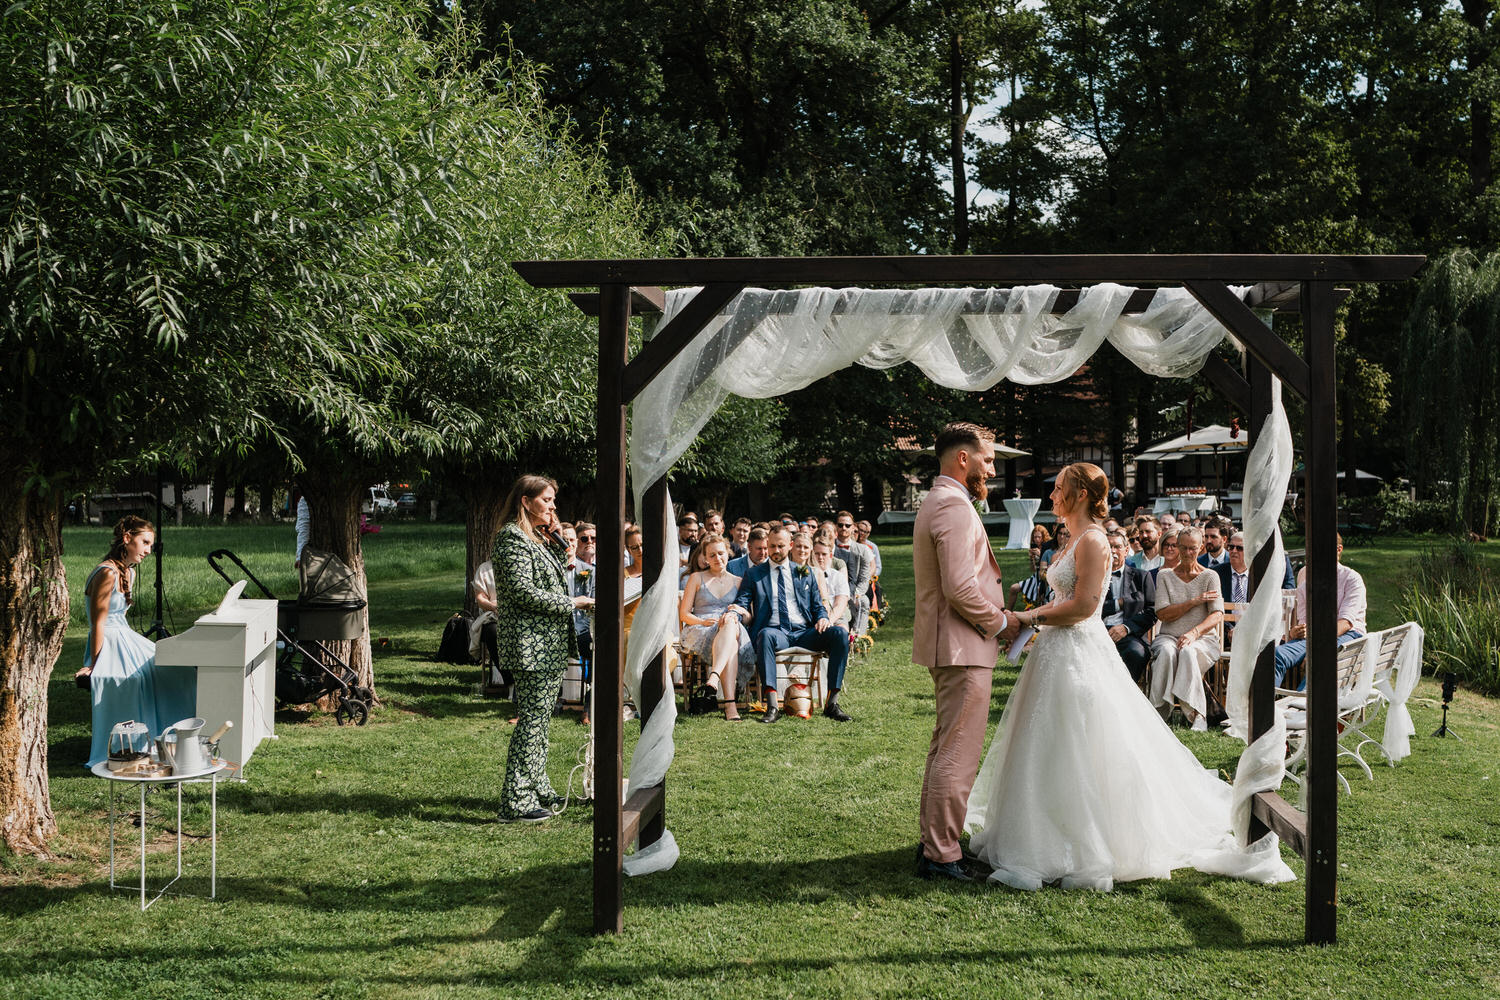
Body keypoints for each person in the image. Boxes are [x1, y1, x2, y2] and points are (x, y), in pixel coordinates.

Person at [968, 464, 1295, 891]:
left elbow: (1084, 607)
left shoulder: (1095, 541)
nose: (1052, 497)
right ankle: (1035, 829)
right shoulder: (1069, 539)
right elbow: (1061, 596)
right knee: (1042, 739)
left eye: (1059, 489)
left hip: (1078, 651)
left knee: (1080, 740)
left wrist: (1027, 617)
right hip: (1053, 650)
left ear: (1081, 494)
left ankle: (1084, 842)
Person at [912, 422, 1016, 882]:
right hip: (963, 645)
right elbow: (960, 588)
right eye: (988, 459)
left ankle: (937, 844)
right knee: (958, 753)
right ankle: (941, 855)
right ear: (962, 458)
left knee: (946, 749)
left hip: (955, 645)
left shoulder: (944, 501)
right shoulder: (952, 507)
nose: (991, 469)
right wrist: (1002, 623)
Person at [494, 475, 594, 823]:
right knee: (531, 724)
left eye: (554, 501)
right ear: (526, 500)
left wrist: (555, 538)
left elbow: (552, 574)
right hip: (529, 644)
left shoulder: (536, 538)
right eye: (547, 500)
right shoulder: (511, 539)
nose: (553, 506)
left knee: (541, 722)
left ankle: (538, 786)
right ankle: (514, 802)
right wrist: (574, 602)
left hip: (547, 643)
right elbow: (523, 591)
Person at [81, 517, 197, 767]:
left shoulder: (128, 573)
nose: (148, 550)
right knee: (138, 680)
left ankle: (174, 739)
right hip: (108, 643)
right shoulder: (107, 573)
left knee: (179, 669)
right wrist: (95, 663)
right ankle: (132, 746)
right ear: (126, 539)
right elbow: (98, 623)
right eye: (144, 542)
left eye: (151, 545)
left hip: (125, 637)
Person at [729, 525, 851, 723]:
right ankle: (772, 706)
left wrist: (823, 617)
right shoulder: (755, 574)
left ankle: (832, 703)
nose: (776, 551)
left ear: (790, 546)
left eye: (781, 546)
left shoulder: (804, 572)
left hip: (805, 632)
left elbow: (817, 605)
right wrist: (737, 611)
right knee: (765, 635)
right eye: (772, 546)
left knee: (840, 634)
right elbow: (743, 601)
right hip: (776, 633)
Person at [1146, 527, 1224, 730]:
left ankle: (1196, 714)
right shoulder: (1165, 575)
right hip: (1169, 636)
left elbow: (1217, 614)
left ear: (1201, 548)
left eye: (1193, 548)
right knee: (1166, 652)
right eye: (1184, 548)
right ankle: (1159, 711)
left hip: (1203, 639)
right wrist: (1194, 602)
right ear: (1177, 547)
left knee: (1188, 651)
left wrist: (1194, 633)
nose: (1188, 553)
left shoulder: (1210, 576)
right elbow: (1162, 614)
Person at [1274, 534, 1366, 688]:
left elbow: (1345, 623)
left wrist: (1315, 645)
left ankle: (1303, 708)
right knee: (1276, 655)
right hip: (1312, 636)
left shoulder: (1352, 579)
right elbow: (1304, 621)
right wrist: (1297, 631)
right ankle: (1268, 709)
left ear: (1339, 550)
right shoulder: (1306, 584)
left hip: (1348, 634)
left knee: (1319, 659)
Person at [679, 535, 753, 721]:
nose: (717, 558)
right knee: (732, 641)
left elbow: (749, 617)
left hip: (730, 627)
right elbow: (684, 614)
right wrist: (703, 622)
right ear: (704, 557)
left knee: (730, 622)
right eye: (712, 555)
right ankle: (730, 706)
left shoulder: (738, 581)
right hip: (702, 628)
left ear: (728, 553)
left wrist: (740, 612)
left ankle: (713, 679)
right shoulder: (696, 578)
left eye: (721, 553)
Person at [1100, 528, 1156, 683]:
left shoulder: (1141, 577)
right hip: (1097, 631)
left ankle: (1126, 697)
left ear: (1126, 551)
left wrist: (1126, 628)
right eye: (1108, 547)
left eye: (1117, 546)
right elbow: (1089, 607)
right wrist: (1117, 604)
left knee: (1136, 653)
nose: (1112, 551)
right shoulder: (1093, 577)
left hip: (1130, 634)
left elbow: (1152, 611)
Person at [1008, 523, 1053, 611]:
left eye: (1039, 537)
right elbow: (1033, 569)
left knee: (1041, 598)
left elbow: (1051, 564)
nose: (1036, 539)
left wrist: (1040, 555)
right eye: (1035, 537)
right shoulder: (1034, 548)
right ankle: (1007, 612)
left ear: (1043, 536)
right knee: (1014, 588)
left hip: (1045, 577)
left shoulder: (1049, 548)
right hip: (1035, 577)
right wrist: (1031, 559)